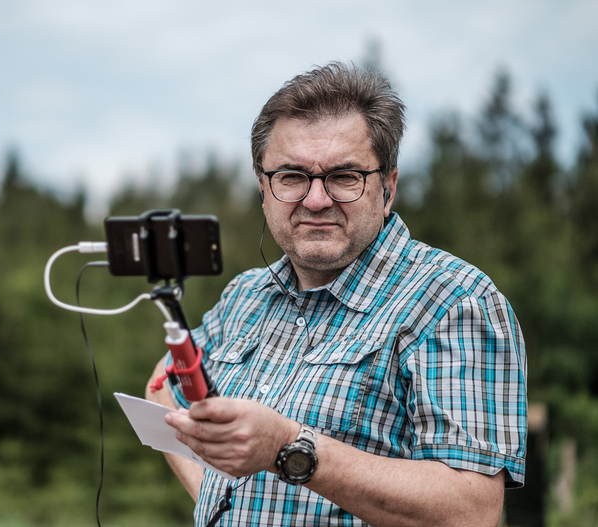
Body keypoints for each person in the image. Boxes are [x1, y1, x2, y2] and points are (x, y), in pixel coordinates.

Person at [146, 61, 526, 527]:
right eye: (291, 176)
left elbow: (472, 512)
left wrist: (289, 448)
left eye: (345, 176)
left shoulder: (454, 301)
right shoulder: (244, 297)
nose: (316, 200)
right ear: (264, 189)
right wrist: (212, 495)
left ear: (387, 188)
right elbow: (165, 391)